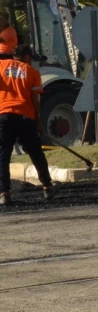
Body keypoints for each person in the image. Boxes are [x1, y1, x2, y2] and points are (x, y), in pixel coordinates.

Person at [0, 45, 54, 205]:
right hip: (25, 117)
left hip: (4, 116)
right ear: (27, 57)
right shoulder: (32, 72)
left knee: (3, 155)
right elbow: (36, 101)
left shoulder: (1, 66)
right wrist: (38, 122)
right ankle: (47, 187)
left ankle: (4, 193)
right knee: (36, 153)